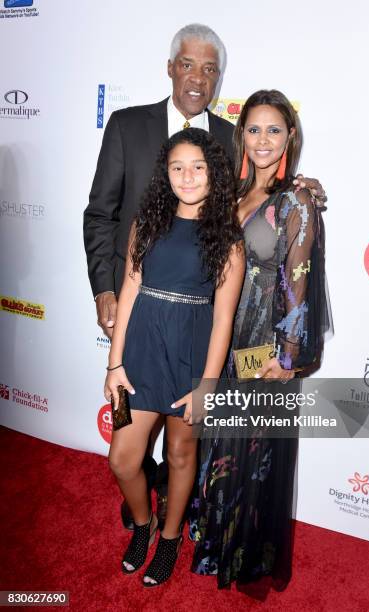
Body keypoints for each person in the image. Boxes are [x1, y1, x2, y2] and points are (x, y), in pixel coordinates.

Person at [84, 22, 326, 530]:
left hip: (214, 326)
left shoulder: (229, 140)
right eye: (188, 64)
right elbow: (101, 214)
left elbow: (267, 199)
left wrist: (306, 187)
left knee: (194, 439)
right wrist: (105, 288)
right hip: (142, 313)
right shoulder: (127, 125)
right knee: (133, 444)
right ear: (171, 67)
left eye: (210, 68)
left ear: (219, 79)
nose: (198, 76)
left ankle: (183, 521)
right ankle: (148, 510)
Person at [191, 90, 331, 590]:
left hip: (260, 347)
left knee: (251, 453)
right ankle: (216, 542)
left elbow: (298, 279)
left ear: (290, 135)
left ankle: (244, 559)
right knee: (220, 442)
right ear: (241, 135)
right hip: (219, 336)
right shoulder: (232, 193)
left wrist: (288, 356)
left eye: (275, 130)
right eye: (254, 129)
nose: (263, 140)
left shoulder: (296, 201)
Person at [104, 127, 245, 586]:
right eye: (177, 167)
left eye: (198, 167)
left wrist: (207, 385)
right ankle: (143, 527)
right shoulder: (146, 224)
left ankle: (168, 539)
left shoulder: (228, 239)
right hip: (140, 355)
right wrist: (114, 363)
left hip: (191, 355)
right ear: (165, 173)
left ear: (214, 174)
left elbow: (223, 319)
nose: (187, 176)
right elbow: (129, 290)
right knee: (124, 458)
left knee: (182, 454)